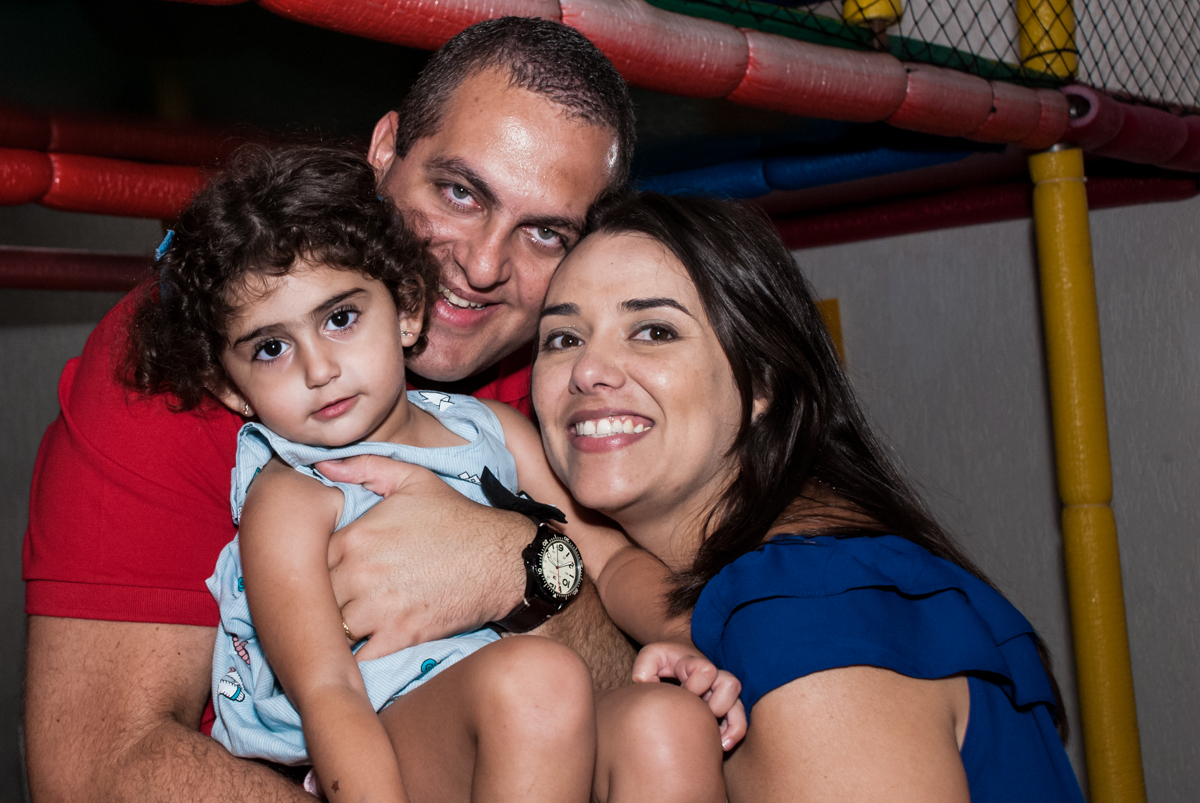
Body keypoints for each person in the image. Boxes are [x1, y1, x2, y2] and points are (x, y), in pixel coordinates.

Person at [23, 18, 697, 803]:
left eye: (545, 233)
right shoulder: (201, 351)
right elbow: (93, 766)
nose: (481, 266)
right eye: (458, 191)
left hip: (519, 736)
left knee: (668, 724)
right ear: (385, 151)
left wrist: (521, 565)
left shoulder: (571, 383)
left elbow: (651, 635)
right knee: (538, 684)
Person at [123, 144, 732, 802]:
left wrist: (683, 643)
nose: (318, 367)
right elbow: (329, 692)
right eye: (272, 348)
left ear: (408, 308)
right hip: (389, 740)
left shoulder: (492, 431)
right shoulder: (291, 499)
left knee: (668, 721)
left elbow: (608, 562)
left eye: (340, 318)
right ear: (232, 387)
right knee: (538, 682)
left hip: (532, 712)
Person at [528, 192, 1087, 803]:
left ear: (763, 382)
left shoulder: (810, 606)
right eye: (562, 338)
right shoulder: (801, 575)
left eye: (654, 331)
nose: (589, 369)